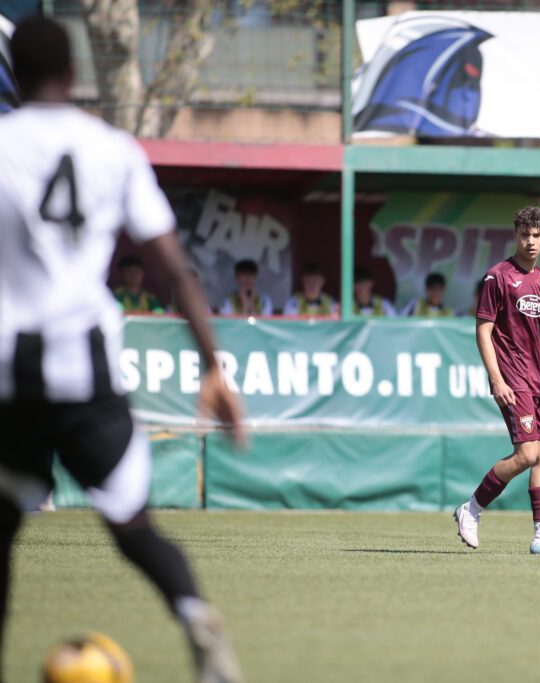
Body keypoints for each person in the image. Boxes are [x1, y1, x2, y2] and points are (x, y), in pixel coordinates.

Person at [0, 17, 244, 683]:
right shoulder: (113, 149)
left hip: (11, 375)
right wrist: (214, 365)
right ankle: (193, 612)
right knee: (132, 522)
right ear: (75, 76)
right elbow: (173, 268)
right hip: (91, 370)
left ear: (12, 74)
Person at [453, 206, 540, 556]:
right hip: (512, 378)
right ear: (515, 236)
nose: (530, 241)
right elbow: (483, 330)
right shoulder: (497, 277)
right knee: (526, 455)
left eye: (537, 235)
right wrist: (496, 378)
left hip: (539, 383)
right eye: (524, 235)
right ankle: (472, 508)